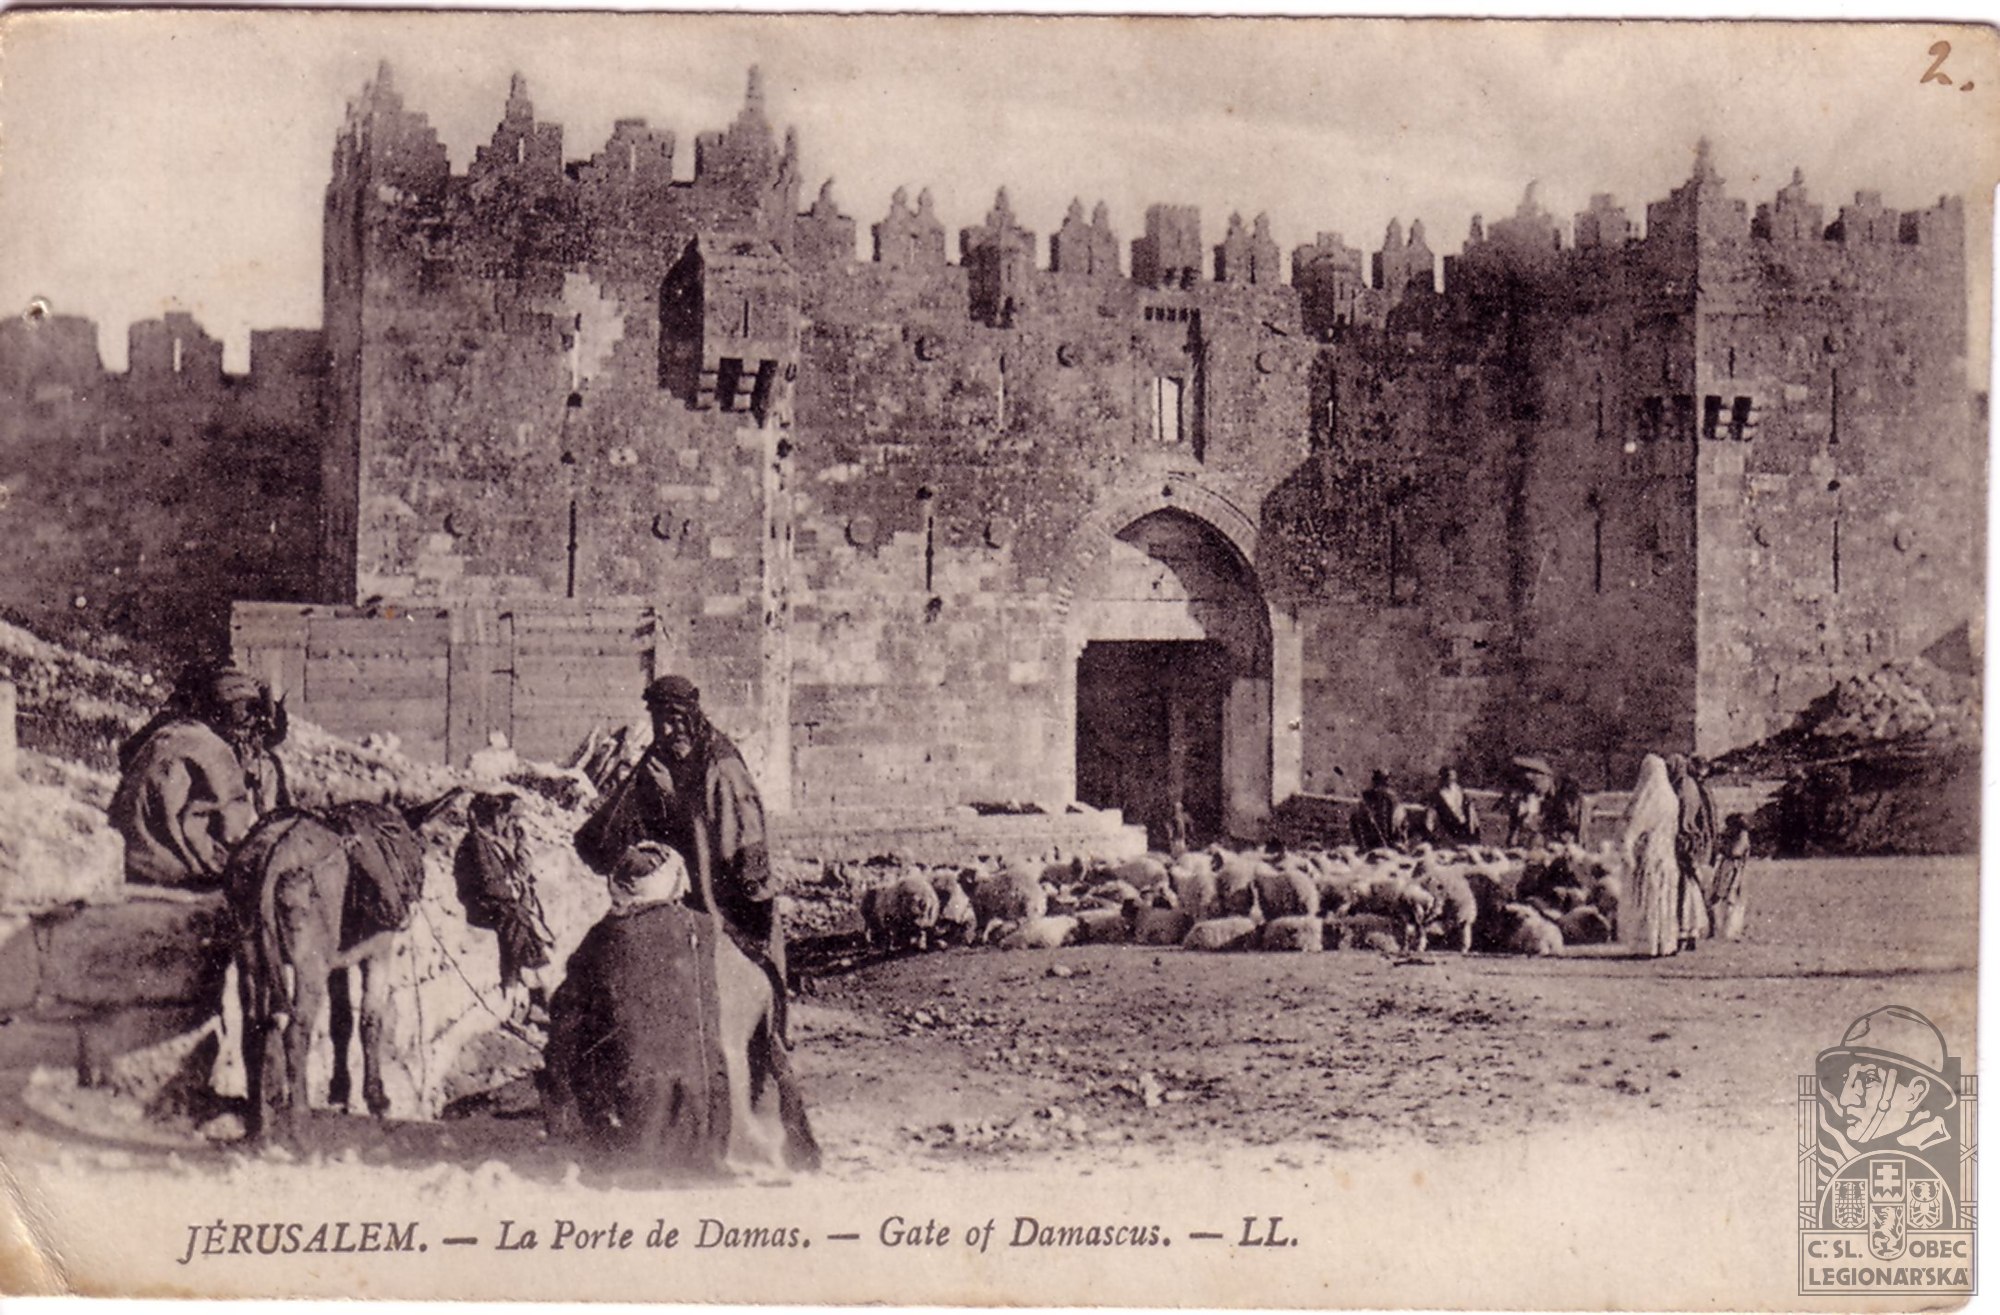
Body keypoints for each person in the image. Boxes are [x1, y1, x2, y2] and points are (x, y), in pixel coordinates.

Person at [542, 842, 820, 1180]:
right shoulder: (706, 930)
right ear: (675, 883)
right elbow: (762, 995)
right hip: (715, 1125)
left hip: (633, 1132)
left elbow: (564, 1027)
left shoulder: (602, 939)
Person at [574, 676, 786, 987]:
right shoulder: (665, 754)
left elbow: (733, 846)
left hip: (729, 898)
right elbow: (625, 807)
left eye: (674, 720)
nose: (665, 730)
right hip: (686, 890)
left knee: (738, 982)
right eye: (658, 721)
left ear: (691, 717)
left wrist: (673, 797)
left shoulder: (721, 766)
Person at [109, 666, 271, 889]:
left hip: (134, 862)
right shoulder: (214, 749)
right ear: (221, 712)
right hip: (176, 872)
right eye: (243, 712)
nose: (249, 723)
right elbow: (236, 831)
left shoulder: (167, 734)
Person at [453, 791, 554, 1023]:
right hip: (480, 904)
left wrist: (522, 846)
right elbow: (489, 884)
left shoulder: (492, 843)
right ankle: (523, 993)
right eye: (506, 818)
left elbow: (519, 873)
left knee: (521, 922)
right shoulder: (475, 843)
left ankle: (533, 996)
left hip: (497, 902)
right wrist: (512, 894)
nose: (508, 823)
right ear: (494, 817)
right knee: (516, 920)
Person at [1619, 753, 1681, 957]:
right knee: (1665, 900)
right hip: (1667, 854)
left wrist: (1628, 846)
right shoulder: (1671, 797)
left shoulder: (1650, 799)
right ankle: (1666, 942)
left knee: (1648, 901)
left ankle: (1647, 945)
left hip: (1650, 855)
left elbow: (1635, 827)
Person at [1666, 753, 1713, 951]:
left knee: (1682, 890)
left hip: (1682, 841)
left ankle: (1682, 932)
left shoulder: (1680, 788)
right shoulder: (1693, 785)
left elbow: (1679, 816)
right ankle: (1693, 931)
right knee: (1692, 888)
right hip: (1694, 841)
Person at [1708, 813, 1752, 940]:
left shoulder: (1743, 836)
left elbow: (1735, 852)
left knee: (1730, 898)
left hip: (1735, 870)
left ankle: (1728, 930)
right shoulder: (1737, 836)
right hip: (1728, 869)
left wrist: (1722, 848)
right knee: (1721, 897)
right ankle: (1719, 928)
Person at [1422, 765, 1480, 848]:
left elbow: (1471, 812)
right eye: (1450, 779)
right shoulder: (1436, 795)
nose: (1452, 782)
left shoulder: (1460, 791)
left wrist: (1475, 828)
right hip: (1449, 833)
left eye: (1454, 779)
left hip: (1465, 831)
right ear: (1443, 779)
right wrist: (1430, 834)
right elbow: (1430, 817)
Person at [1350, 770, 1403, 852]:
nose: (1379, 788)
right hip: (1369, 839)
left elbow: (1397, 820)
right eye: (1377, 784)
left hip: (1388, 842)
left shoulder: (1391, 799)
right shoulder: (1367, 797)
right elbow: (1359, 817)